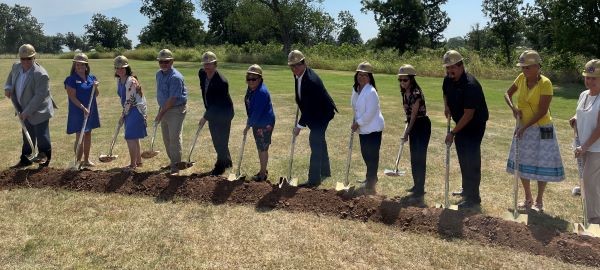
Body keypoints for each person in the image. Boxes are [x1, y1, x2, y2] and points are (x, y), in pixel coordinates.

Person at [505, 50, 565, 212]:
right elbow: (507, 94)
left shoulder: (546, 83)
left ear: (538, 67)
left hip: (542, 128)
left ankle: (539, 200)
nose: (525, 71)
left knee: (541, 162)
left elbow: (542, 111)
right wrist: (513, 108)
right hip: (523, 126)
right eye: (523, 67)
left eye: (528, 68)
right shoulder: (521, 79)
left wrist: (525, 127)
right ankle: (527, 198)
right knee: (522, 160)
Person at [442, 50, 489, 209]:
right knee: (463, 157)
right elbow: (446, 93)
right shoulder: (448, 80)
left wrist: (453, 132)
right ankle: (466, 189)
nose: (450, 72)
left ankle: (474, 198)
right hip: (460, 123)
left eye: (452, 68)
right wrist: (446, 106)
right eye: (447, 68)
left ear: (461, 66)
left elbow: (469, 114)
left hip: (474, 125)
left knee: (471, 159)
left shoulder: (470, 85)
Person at [288, 50, 338, 188]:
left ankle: (314, 180)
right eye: (292, 66)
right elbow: (304, 99)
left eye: (297, 65)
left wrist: (299, 126)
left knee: (315, 141)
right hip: (315, 112)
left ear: (304, 63)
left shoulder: (311, 80)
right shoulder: (299, 74)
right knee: (320, 140)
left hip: (322, 114)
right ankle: (325, 171)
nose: (294, 69)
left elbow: (310, 108)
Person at [4, 44, 55, 168]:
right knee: (27, 135)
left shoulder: (41, 74)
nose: (25, 61)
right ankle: (25, 160)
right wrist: (8, 88)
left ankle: (44, 164)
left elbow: (39, 96)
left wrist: (27, 112)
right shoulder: (16, 66)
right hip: (23, 108)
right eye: (23, 58)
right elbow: (10, 79)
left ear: (34, 57)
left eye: (29, 58)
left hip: (39, 109)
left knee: (42, 136)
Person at [570, 59, 600, 224]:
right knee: (589, 182)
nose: (589, 81)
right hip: (582, 145)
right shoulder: (583, 95)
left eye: (593, 78)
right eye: (587, 77)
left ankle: (595, 219)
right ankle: (591, 215)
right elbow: (581, 112)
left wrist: (585, 146)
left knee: (588, 181)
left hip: (596, 148)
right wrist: (575, 118)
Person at [198, 51, 234, 176]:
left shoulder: (221, 82)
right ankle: (227, 161)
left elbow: (217, 104)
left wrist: (205, 117)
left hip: (224, 112)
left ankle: (220, 167)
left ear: (215, 64)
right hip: (213, 111)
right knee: (217, 139)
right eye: (205, 64)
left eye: (210, 64)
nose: (207, 66)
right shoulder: (202, 73)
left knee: (221, 141)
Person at [351, 62, 384, 195]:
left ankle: (371, 182)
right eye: (360, 75)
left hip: (373, 128)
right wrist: (355, 119)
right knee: (365, 154)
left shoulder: (371, 92)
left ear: (370, 77)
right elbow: (355, 107)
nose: (362, 77)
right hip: (363, 128)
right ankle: (370, 178)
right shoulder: (356, 89)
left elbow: (370, 113)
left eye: (365, 75)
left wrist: (358, 122)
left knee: (372, 156)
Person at [398, 64, 431, 199]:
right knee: (414, 157)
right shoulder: (404, 92)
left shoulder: (416, 93)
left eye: (405, 80)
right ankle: (416, 185)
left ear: (411, 79)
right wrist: (408, 128)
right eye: (400, 80)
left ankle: (420, 189)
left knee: (420, 157)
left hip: (421, 125)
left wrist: (407, 132)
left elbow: (414, 115)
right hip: (413, 125)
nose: (402, 83)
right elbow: (409, 114)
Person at [155, 49, 188, 176]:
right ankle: (172, 162)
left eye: (166, 61)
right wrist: (161, 110)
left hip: (175, 109)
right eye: (161, 62)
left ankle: (176, 168)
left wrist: (160, 113)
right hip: (164, 108)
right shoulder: (158, 74)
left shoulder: (176, 77)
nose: (163, 64)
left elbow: (172, 99)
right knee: (166, 138)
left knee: (174, 138)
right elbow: (162, 94)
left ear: (172, 61)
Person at [64, 53, 101, 168]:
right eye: (77, 65)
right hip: (78, 110)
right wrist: (82, 108)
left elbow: (96, 94)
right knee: (80, 135)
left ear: (86, 66)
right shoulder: (71, 80)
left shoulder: (91, 78)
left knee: (88, 134)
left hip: (90, 109)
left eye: (81, 65)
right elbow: (72, 97)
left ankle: (86, 160)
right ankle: (78, 161)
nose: (79, 67)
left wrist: (96, 87)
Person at [114, 56, 147, 170]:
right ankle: (138, 161)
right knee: (134, 137)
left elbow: (130, 101)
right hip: (129, 111)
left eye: (122, 68)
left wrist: (123, 115)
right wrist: (124, 113)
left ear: (127, 67)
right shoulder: (119, 80)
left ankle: (133, 165)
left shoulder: (131, 81)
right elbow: (123, 97)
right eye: (118, 68)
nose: (120, 70)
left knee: (130, 137)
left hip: (135, 111)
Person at [243, 64, 275, 181]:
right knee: (261, 147)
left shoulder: (261, 92)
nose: (250, 81)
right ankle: (263, 169)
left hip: (264, 123)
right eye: (248, 78)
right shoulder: (252, 88)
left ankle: (262, 174)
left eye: (254, 78)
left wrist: (248, 125)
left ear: (260, 79)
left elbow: (257, 112)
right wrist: (250, 120)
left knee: (263, 148)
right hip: (258, 122)